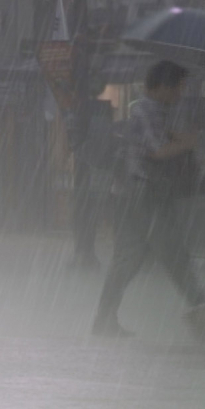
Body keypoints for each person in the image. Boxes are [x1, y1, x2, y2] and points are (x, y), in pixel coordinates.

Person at [92, 60, 205, 337]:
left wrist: (178, 138)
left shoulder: (152, 109)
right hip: (145, 194)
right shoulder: (145, 110)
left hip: (133, 194)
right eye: (178, 87)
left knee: (129, 259)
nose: (180, 93)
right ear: (163, 86)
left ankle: (103, 319)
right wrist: (187, 143)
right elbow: (156, 151)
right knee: (173, 255)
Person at [68, 79, 116, 271]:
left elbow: (79, 143)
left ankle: (84, 254)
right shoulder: (101, 111)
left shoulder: (81, 111)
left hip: (88, 174)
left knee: (83, 213)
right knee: (87, 213)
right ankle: (85, 254)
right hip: (94, 173)